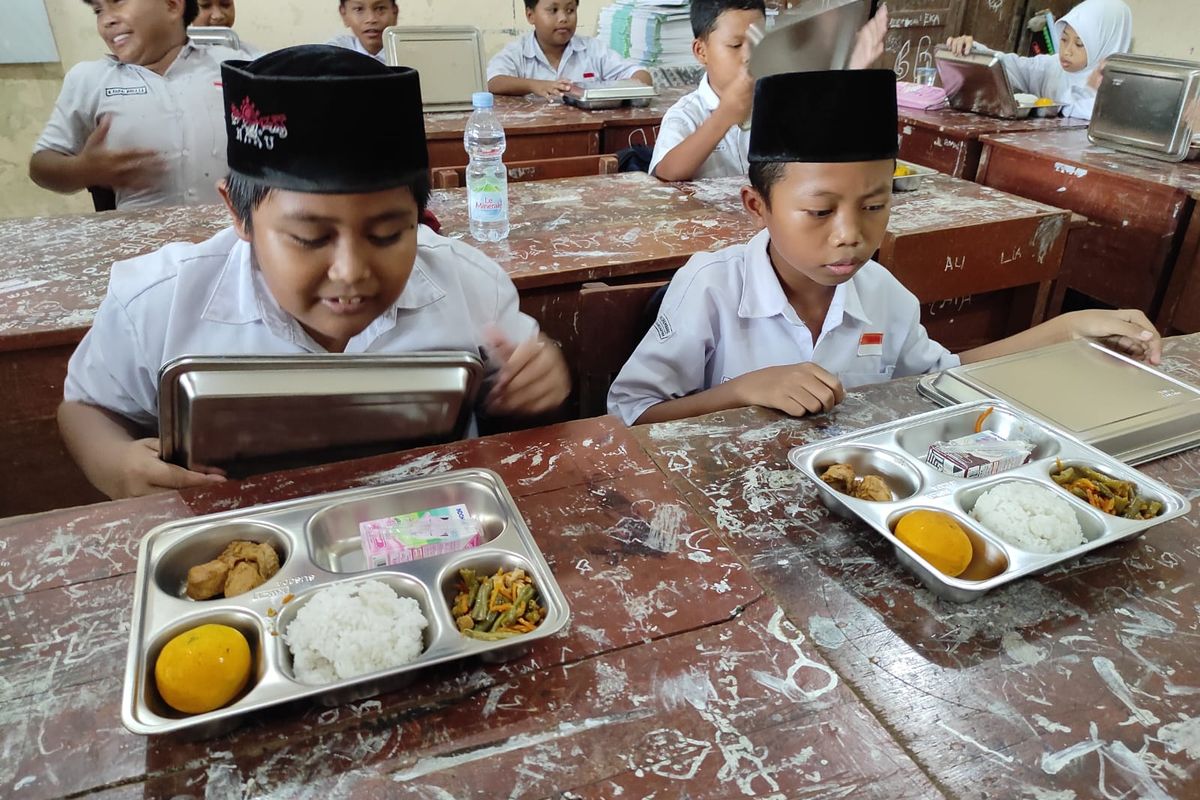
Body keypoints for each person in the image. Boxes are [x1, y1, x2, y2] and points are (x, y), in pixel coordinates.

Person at [58, 45, 571, 499]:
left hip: (422, 529)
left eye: (388, 234)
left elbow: (518, 392)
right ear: (239, 215)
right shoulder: (159, 302)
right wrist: (113, 463)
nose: (350, 272)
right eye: (309, 238)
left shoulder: (470, 286)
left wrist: (535, 386)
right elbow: (87, 408)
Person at [608, 69, 1161, 426]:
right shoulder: (711, 287)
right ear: (758, 206)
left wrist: (1068, 331)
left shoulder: (884, 296)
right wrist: (742, 391)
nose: (851, 233)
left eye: (874, 206)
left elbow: (943, 374)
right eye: (820, 212)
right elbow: (629, 413)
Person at [30, 0, 246, 210]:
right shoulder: (88, 79)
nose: (107, 21)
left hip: (231, 234)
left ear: (172, 5)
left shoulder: (238, 67)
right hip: (143, 239)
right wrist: (83, 170)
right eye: (98, 10)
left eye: (118, 2)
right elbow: (41, 164)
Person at [649, 0, 890, 181]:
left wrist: (854, 78)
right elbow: (664, 174)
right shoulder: (685, 115)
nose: (748, 56)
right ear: (701, 51)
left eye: (757, 43)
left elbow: (823, 149)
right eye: (735, 45)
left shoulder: (781, 103)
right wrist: (724, 116)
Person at [944, 0, 1132, 120]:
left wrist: (1090, 89)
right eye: (1064, 39)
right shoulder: (1053, 67)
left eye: (1079, 44)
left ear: (1107, 44)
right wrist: (973, 50)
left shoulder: (1121, 88)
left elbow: (1089, 113)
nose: (1066, 51)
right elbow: (1010, 66)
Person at [487, 0, 652, 101]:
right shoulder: (518, 52)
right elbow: (494, 81)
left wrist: (615, 91)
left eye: (570, 10)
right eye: (553, 10)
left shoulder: (593, 49)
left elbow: (640, 75)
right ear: (531, 16)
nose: (563, 18)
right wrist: (534, 85)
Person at [327, 0, 397, 63]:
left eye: (380, 8)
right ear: (344, 14)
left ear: (394, 13)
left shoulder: (406, 52)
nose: (371, 19)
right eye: (359, 9)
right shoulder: (333, 54)